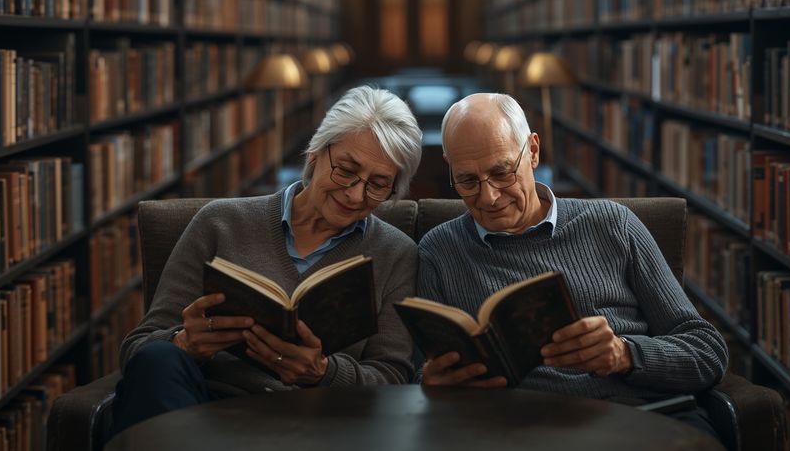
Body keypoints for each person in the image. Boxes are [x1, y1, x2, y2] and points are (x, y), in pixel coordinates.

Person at [110, 85, 423, 436]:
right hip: (206, 413)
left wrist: (323, 372)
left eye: (378, 184)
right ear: (315, 155)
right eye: (346, 170)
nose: (355, 193)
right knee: (158, 359)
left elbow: (394, 378)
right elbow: (137, 351)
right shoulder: (219, 224)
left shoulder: (397, 254)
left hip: (322, 423)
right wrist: (185, 343)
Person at [416, 93, 728, 436]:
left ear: (533, 151)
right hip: (519, 431)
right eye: (467, 180)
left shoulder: (614, 225)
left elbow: (707, 351)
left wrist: (625, 355)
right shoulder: (438, 251)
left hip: (640, 416)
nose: (488, 197)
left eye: (501, 172)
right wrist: (432, 381)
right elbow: (418, 376)